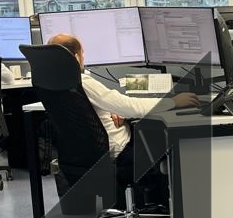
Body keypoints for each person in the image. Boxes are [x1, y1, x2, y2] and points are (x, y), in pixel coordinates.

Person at [45, 32, 197, 158]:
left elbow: (84, 111)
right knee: (167, 141)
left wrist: (111, 110)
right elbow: (132, 107)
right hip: (118, 150)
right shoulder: (81, 82)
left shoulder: (49, 82)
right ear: (76, 57)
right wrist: (174, 102)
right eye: (82, 53)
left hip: (82, 154)